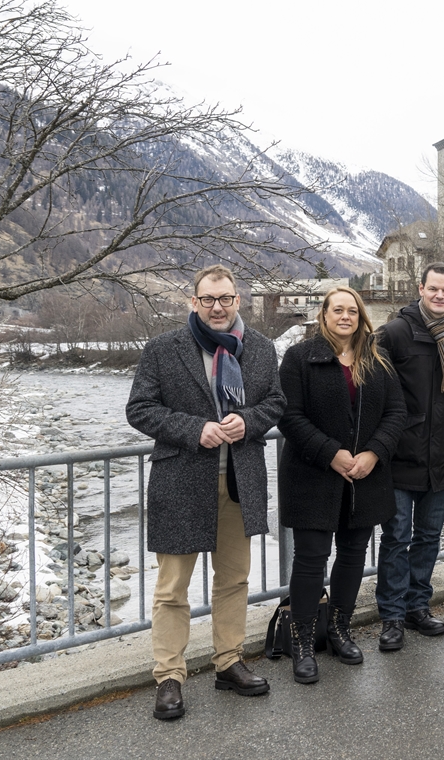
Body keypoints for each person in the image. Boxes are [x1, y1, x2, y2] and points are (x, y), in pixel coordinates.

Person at [126, 264, 285, 720]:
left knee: (234, 579)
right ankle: (169, 675)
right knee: (172, 588)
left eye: (226, 299)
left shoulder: (260, 348)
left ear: (238, 301)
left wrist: (248, 421)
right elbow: (139, 409)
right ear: (193, 302)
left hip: (240, 479)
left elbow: (275, 402)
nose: (218, 307)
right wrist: (196, 429)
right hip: (180, 481)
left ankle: (228, 662)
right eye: (208, 299)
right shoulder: (163, 349)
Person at [277, 287, 407, 682]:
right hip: (313, 474)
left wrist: (373, 453)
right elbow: (289, 415)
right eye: (338, 310)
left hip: (364, 477)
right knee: (311, 557)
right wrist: (332, 453)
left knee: (353, 555)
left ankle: (339, 628)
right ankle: (302, 640)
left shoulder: (377, 358)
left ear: (361, 316)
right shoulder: (300, 358)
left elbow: (397, 412)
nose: (346, 316)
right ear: (324, 314)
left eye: (353, 310)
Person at [374, 262, 444, 650]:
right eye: (432, 288)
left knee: (429, 537)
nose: (439, 295)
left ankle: (418, 605)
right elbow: (378, 389)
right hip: (401, 453)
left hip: (441, 454)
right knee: (397, 537)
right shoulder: (395, 333)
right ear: (420, 289)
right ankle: (392, 616)